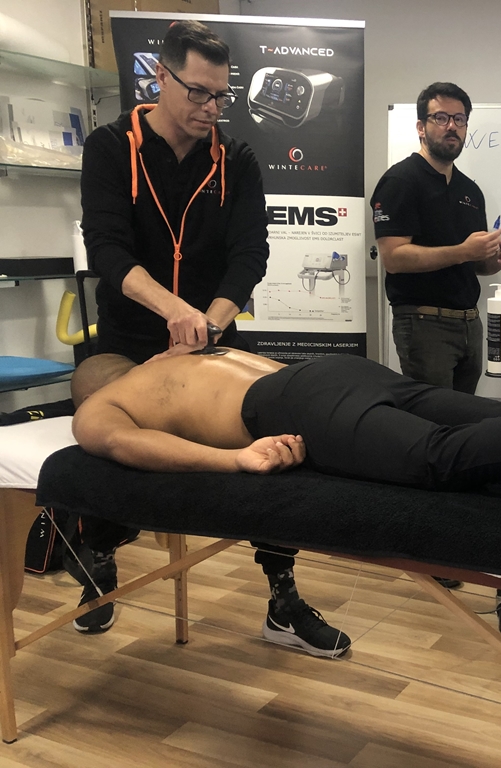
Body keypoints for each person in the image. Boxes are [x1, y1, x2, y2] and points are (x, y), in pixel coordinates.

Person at [77, 19, 347, 658]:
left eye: (221, 95)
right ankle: (98, 548)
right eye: (197, 92)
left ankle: (282, 597)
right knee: (98, 409)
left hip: (208, 338)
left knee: (274, 422)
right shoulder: (110, 147)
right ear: (160, 77)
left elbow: (250, 254)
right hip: (130, 337)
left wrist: (207, 323)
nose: (211, 108)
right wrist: (174, 311)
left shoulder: (238, 159)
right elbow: (107, 250)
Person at [70, 346, 501, 535]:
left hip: (294, 402)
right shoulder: (177, 359)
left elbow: (125, 447)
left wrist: (234, 457)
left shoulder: (99, 403)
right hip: (337, 371)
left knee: (437, 460)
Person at [370, 81, 501, 394]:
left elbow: (475, 264)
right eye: (441, 118)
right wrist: (463, 251)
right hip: (424, 323)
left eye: (459, 119)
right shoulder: (400, 181)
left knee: (464, 415)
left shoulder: (470, 190)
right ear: (421, 127)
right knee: (434, 417)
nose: (452, 126)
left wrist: (496, 260)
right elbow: (394, 258)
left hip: (470, 323)